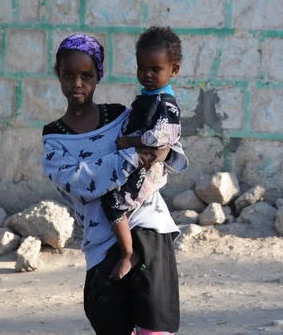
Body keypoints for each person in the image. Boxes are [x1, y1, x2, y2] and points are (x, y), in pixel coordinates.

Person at [41, 34, 188, 335]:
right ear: (58, 75)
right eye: (69, 75)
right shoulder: (54, 139)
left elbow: (168, 143)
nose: (77, 84)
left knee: (155, 328)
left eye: (86, 75)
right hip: (100, 241)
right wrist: (132, 155)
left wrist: (159, 151)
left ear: (98, 77)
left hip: (148, 228)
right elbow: (79, 181)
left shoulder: (121, 115)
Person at [102, 26, 182, 281]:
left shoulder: (165, 103)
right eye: (141, 68)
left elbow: (162, 137)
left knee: (114, 204)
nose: (146, 74)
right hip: (137, 164)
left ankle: (129, 254)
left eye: (155, 69)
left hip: (147, 168)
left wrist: (129, 140)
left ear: (174, 70)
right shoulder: (147, 98)